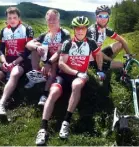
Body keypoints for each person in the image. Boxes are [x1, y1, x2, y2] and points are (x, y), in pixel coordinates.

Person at [35, 16, 103, 145]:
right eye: (77, 28)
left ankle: (66, 121)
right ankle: (43, 128)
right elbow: (61, 64)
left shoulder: (91, 43)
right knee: (53, 92)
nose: (80, 31)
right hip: (65, 75)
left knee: (76, 85)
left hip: (79, 77)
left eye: (83, 28)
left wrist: (100, 69)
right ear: (74, 29)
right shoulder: (67, 43)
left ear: (86, 29)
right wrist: (76, 72)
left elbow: (98, 54)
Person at [25, 9, 70, 106]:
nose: (52, 21)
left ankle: (44, 94)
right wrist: (37, 47)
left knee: (53, 65)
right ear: (46, 21)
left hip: (60, 60)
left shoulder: (64, 33)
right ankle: (35, 75)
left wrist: (48, 63)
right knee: (34, 48)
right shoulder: (45, 35)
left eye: (54, 19)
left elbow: (60, 51)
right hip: (47, 60)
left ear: (59, 20)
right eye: (49, 19)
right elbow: (28, 44)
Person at [87, 5, 131, 75]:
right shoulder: (92, 31)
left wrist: (129, 54)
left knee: (120, 44)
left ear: (108, 18)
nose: (103, 19)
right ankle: (108, 65)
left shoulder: (106, 29)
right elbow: (96, 53)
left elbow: (121, 40)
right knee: (121, 65)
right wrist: (111, 60)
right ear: (97, 17)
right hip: (92, 61)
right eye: (101, 16)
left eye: (106, 16)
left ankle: (109, 63)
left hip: (99, 54)